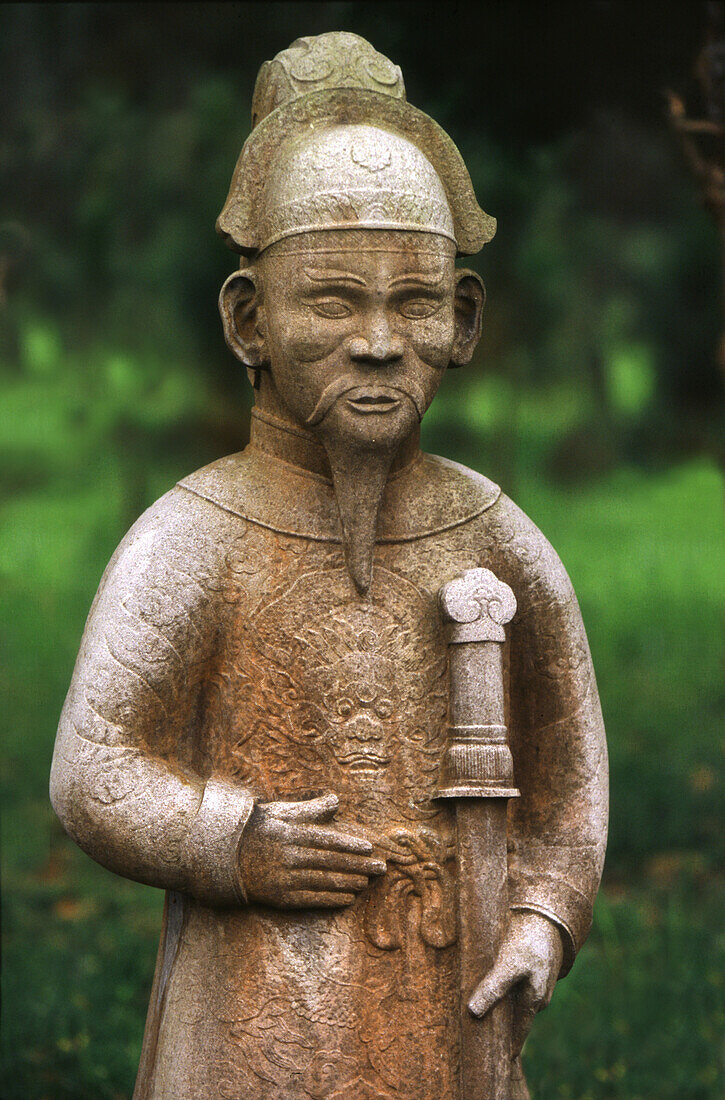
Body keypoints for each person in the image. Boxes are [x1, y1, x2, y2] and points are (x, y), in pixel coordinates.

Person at [50, 32, 607, 1100]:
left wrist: (539, 918)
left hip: (454, 1019)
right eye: (333, 300)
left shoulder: (493, 532)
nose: (378, 342)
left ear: (465, 318)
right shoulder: (193, 536)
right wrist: (232, 838)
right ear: (247, 318)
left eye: (414, 302)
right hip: (254, 1018)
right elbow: (92, 768)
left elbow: (568, 776)